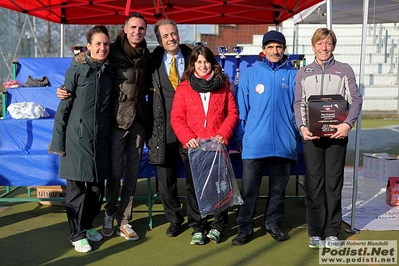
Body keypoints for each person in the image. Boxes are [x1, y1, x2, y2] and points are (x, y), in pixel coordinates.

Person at [57, 12, 152, 241]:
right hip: (115, 124)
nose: (137, 32)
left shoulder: (148, 55)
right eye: (133, 27)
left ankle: (125, 220)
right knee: (113, 174)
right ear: (125, 28)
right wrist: (68, 80)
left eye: (141, 28)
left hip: (138, 122)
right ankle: (108, 215)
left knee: (131, 175)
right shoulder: (113, 51)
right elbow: (84, 64)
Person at [293, 28, 362, 249]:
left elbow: (356, 100)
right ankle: (315, 232)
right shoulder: (303, 72)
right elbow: (299, 103)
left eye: (328, 43)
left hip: (336, 137)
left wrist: (347, 124)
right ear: (313, 46)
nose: (324, 48)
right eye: (320, 43)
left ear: (333, 45)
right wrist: (302, 126)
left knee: (333, 184)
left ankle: (332, 231)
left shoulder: (344, 70)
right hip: (311, 136)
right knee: (314, 184)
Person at [232, 30, 300, 246]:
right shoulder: (250, 74)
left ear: (284, 50)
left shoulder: (293, 75)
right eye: (270, 47)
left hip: (284, 142)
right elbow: (241, 110)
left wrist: (294, 133)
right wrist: (242, 139)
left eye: (278, 47)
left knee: (278, 191)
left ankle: (272, 223)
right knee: (249, 189)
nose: (274, 51)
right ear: (263, 50)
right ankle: (245, 227)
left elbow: (298, 109)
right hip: (254, 144)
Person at [49, 25, 112, 253]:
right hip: (76, 141)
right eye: (98, 44)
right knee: (76, 191)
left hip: (100, 140)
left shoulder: (109, 71)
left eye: (106, 44)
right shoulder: (76, 70)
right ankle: (76, 235)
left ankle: (86, 226)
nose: (102, 48)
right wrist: (58, 143)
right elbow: (63, 108)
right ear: (88, 46)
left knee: (97, 191)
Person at [170, 45, 238, 245]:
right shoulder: (184, 88)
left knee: (219, 187)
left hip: (216, 146)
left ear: (212, 63)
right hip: (193, 147)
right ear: (193, 64)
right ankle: (198, 226)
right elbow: (177, 118)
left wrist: (222, 134)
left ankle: (218, 225)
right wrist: (187, 137)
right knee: (194, 188)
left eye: (206, 61)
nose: (203, 65)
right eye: (198, 62)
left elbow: (232, 113)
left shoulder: (223, 86)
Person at [147, 19, 192, 237]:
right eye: (165, 36)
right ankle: (174, 219)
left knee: (195, 176)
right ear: (159, 40)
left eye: (173, 33)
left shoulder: (195, 58)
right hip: (161, 129)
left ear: (178, 34)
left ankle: (197, 219)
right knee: (166, 181)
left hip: (191, 130)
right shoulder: (152, 61)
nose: (171, 38)